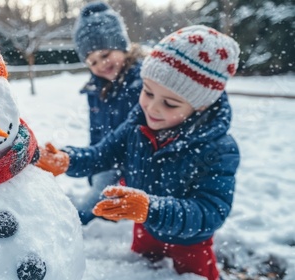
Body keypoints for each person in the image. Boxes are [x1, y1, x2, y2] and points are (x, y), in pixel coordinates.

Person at [36, 25, 241, 280]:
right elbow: (104, 153)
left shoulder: (219, 149)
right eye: (148, 92)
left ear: (201, 105)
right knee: (140, 272)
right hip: (144, 229)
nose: (152, 108)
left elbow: (210, 212)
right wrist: (67, 159)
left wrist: (152, 209)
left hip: (190, 242)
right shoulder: (138, 123)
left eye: (169, 103)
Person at [70, 1, 145, 225]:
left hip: (140, 157)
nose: (101, 65)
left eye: (105, 54)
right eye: (92, 62)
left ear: (121, 46)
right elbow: (96, 130)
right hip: (108, 157)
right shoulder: (96, 90)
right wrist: (95, 168)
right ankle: (76, 221)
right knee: (93, 203)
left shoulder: (142, 82)